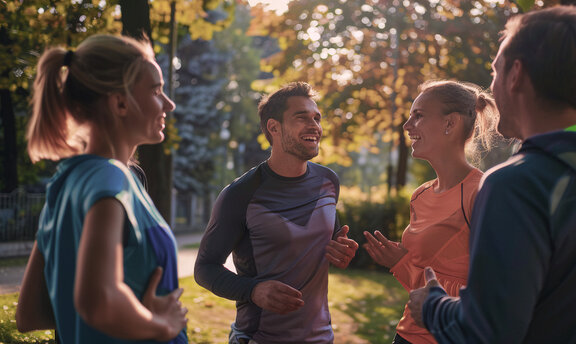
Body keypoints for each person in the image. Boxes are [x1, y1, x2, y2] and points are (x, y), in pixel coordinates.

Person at [408, 5, 576, 343]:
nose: (491, 86)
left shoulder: (515, 185)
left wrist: (431, 306)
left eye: (495, 71)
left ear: (515, 74)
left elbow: (487, 332)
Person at [15, 34, 188, 343]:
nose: (169, 104)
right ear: (120, 102)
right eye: (156, 90)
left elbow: (31, 313)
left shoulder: (65, 182)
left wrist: (130, 311)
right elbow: (97, 302)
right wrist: (162, 325)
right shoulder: (112, 178)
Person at [194, 82, 359, 344]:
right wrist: (253, 290)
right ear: (274, 127)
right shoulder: (240, 194)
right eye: (302, 117)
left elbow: (330, 241)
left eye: (316, 118)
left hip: (321, 337)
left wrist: (341, 250)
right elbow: (204, 269)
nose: (315, 126)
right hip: (259, 337)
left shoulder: (329, 182)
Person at [363, 80, 499, 344]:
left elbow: (489, 294)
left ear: (450, 124)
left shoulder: (480, 193)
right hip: (405, 334)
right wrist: (401, 261)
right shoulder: (420, 195)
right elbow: (423, 283)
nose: (406, 125)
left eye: (419, 116)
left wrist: (400, 264)